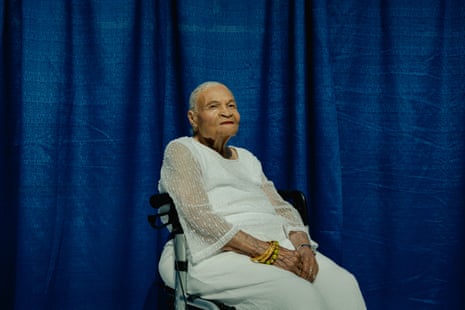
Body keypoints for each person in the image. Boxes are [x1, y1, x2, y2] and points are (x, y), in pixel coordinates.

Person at [158, 81, 366, 309]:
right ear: (193, 118)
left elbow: (282, 208)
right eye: (214, 106)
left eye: (231, 105)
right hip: (210, 254)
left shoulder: (247, 158)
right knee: (299, 295)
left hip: (278, 245)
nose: (226, 112)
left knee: (344, 285)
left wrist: (304, 248)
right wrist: (269, 253)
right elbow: (199, 217)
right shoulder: (182, 150)